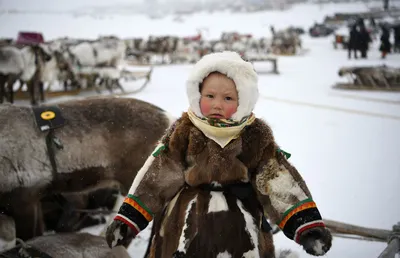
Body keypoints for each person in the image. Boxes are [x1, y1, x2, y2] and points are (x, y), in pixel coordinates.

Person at [105, 51, 332, 257]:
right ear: (197, 94)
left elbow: (276, 179)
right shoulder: (185, 130)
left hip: (240, 217)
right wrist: (129, 219)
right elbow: (159, 175)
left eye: (228, 98)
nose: (217, 105)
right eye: (210, 96)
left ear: (243, 101)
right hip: (187, 215)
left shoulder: (254, 135)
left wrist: (305, 225)